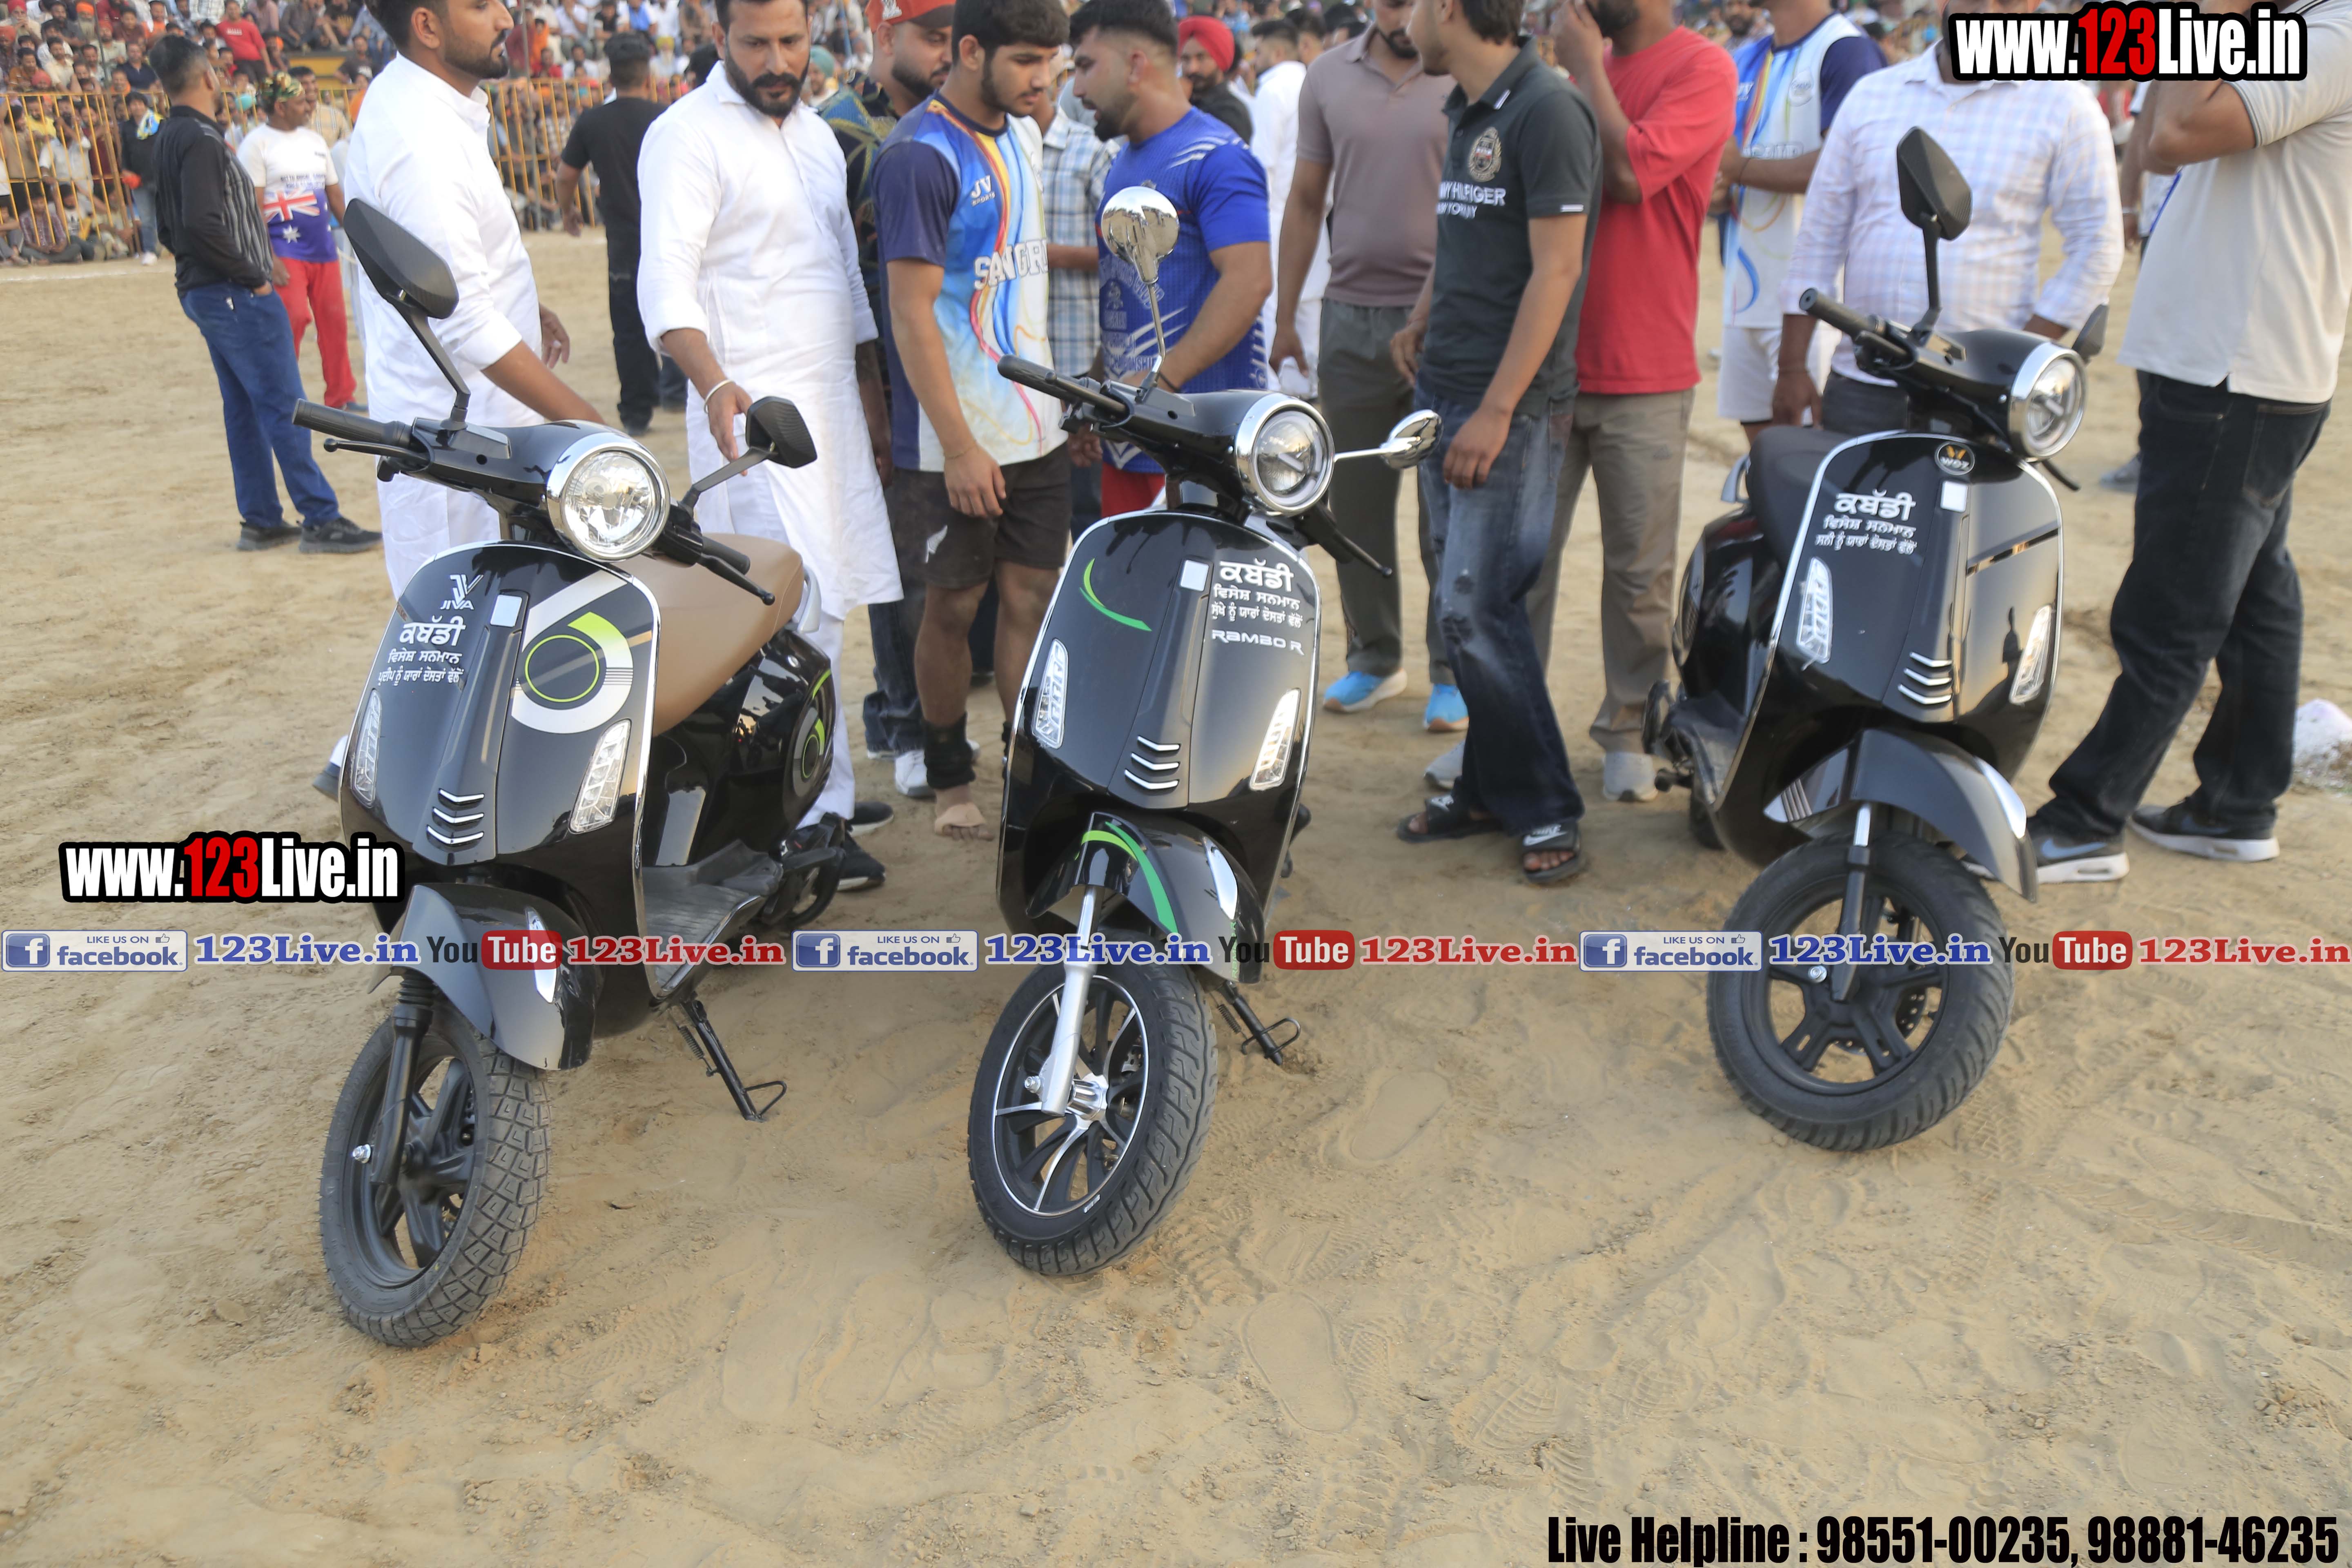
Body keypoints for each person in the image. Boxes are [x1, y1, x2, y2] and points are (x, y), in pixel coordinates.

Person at [2022, 0, 2351, 882]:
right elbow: (2162, 140)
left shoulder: (2331, 35)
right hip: (2234, 366)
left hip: (2235, 374)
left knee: (2172, 612)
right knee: (2254, 601)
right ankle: (2236, 806)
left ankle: (2085, 821)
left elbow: (2173, 134)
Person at [638, 0, 904, 882]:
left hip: (832, 409)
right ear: (721, 39)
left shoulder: (818, 136)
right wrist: (715, 384)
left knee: (830, 605)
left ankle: (817, 783)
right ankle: (802, 828)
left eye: (792, 42)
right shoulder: (686, 137)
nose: (777, 60)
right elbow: (665, 283)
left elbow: (846, 283)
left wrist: (872, 403)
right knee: (782, 614)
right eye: (756, 43)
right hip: (753, 420)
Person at [1388, 0, 1597, 884]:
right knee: (1460, 609)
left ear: (1447, 7)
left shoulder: (1549, 109)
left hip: (1504, 406)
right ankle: (1482, 789)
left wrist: (1500, 408)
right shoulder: (1467, 105)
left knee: (1479, 609)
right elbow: (1465, 236)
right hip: (1445, 387)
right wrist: (1422, 316)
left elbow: (1558, 269)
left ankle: (1547, 804)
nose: (1401, 20)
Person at [870, 0, 1068, 839]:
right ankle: (951, 780)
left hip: (1039, 427)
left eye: (1051, 64)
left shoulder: (1024, 130)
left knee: (1032, 596)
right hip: (951, 439)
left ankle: (1027, 772)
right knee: (952, 609)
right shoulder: (919, 154)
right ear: (972, 50)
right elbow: (910, 313)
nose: (1042, 80)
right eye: (1026, 62)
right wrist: (957, 446)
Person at [347, 0, 603, 596]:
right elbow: (466, 324)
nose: (507, 20)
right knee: (472, 628)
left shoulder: (432, 105)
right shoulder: (422, 140)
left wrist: (523, 305)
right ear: (427, 26)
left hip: (479, 434)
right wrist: (588, 427)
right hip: (463, 446)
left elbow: (450, 270)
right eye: (481, 6)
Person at [1773, 0, 2119, 438]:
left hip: (1979, 395)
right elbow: (1820, 236)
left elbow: (2097, 246)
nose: (1987, 11)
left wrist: (2018, 363)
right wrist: (1791, 366)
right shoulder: (1872, 95)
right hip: (1862, 381)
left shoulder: (2065, 105)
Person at [1549, 0, 1733, 804]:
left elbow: (1630, 174)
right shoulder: (1574, 72)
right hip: (1550, 362)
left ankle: (1627, 728)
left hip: (1647, 368)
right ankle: (1509, 730)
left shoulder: (1701, 67)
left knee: (1639, 575)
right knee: (1522, 566)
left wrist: (1584, 67)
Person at [1270, 0, 1453, 734]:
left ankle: (1453, 671)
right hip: (1349, 315)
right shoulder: (1327, 77)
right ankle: (1376, 658)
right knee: (1355, 502)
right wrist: (1287, 316)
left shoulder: (1464, 70)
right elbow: (1306, 200)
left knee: (1445, 508)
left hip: (1445, 318)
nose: (1402, 11)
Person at [149, 34, 376, 552]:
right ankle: (320, 517)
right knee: (283, 401)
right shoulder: (204, 141)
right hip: (235, 291)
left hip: (205, 289)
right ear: (208, 77)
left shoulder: (170, 136)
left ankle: (261, 517)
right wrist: (251, 275)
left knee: (244, 406)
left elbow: (170, 225)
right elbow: (203, 223)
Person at [817, 0, 952, 799]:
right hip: (880, 378)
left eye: (953, 36)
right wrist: (867, 394)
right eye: (930, 36)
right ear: (883, 33)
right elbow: (833, 279)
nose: (946, 51)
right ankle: (904, 724)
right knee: (900, 562)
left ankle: (911, 713)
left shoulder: (955, 121)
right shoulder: (834, 133)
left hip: (950, 370)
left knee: (945, 558)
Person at [1069, 0, 1271, 515]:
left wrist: (1159, 385)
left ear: (1135, 65)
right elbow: (1127, 292)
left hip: (1201, 453)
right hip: (1130, 444)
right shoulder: (1124, 161)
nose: (1077, 88)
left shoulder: (1217, 156)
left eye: (1086, 66)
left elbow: (1249, 281)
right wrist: (1100, 394)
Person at [1710, 0, 1881, 445]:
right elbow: (1722, 166)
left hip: (1819, 303)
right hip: (1745, 291)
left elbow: (1848, 166)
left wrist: (1741, 170)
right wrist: (1715, 191)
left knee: (1811, 453)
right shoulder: (1745, 57)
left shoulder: (1846, 49)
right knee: (1765, 454)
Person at [555, 29, 664, 433]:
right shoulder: (665, 117)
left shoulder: (594, 121)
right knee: (677, 309)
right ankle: (676, 391)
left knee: (629, 329)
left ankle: (637, 411)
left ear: (610, 75)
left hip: (623, 241)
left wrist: (568, 212)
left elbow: (565, 176)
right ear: (648, 73)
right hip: (666, 235)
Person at [238, 70, 359, 412]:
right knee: (291, 319)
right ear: (280, 106)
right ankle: (281, 394)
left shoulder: (315, 142)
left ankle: (342, 397)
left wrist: (364, 242)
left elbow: (336, 197)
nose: (309, 107)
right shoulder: (256, 145)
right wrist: (268, 258)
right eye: (301, 102)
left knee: (334, 322)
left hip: (322, 248)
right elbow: (252, 207)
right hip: (283, 249)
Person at [1034, 77, 1111, 527]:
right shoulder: (998, 152)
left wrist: (1049, 256)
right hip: (1019, 365)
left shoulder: (1090, 152)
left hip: (1080, 357)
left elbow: (1127, 251)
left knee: (1087, 504)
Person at [1245, 17, 1319, 398]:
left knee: (1273, 304)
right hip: (1315, 209)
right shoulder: (1314, 82)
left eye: (1258, 52)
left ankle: (1273, 389)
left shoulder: (1272, 89)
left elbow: (1263, 162)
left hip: (1276, 212)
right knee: (1308, 304)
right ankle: (1308, 385)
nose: (1254, 59)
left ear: (1276, 53)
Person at [1175, 12, 1248, 137]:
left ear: (1220, 60)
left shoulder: (1231, 112)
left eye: (1201, 58)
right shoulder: (1186, 100)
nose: (1192, 69)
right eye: (1186, 59)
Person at [118, 85, 162, 261]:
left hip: (159, 176)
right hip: (138, 177)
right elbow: (125, 151)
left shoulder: (159, 122)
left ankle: (174, 248)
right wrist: (125, 169)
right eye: (133, 104)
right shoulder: (127, 127)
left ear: (145, 105)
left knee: (167, 214)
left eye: (139, 104)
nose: (137, 107)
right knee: (146, 217)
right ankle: (150, 250)